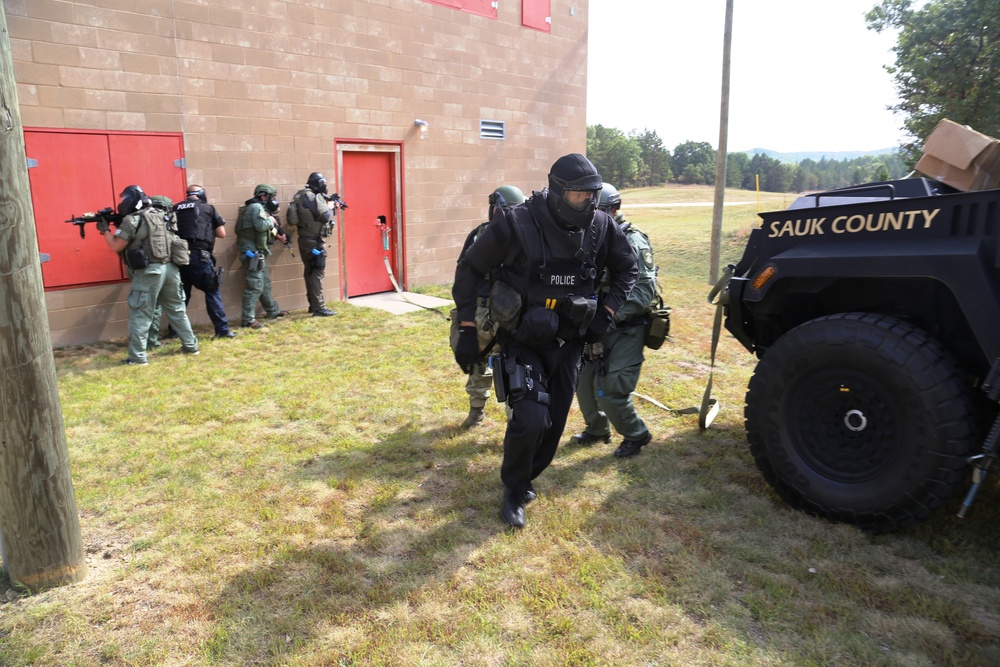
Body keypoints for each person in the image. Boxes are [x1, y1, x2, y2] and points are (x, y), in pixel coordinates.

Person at [452, 154, 638, 528]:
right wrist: (469, 328)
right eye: (578, 196)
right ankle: (514, 490)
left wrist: (606, 315)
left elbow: (627, 269)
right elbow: (470, 268)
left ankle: (528, 476)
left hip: (569, 342)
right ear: (557, 192)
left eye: (593, 195)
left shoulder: (602, 227)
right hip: (522, 338)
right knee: (530, 417)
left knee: (553, 425)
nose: (588, 202)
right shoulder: (516, 222)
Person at [571, 183, 657, 458]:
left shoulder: (632, 241)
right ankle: (597, 429)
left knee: (611, 390)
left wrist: (608, 313)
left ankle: (636, 434)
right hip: (594, 327)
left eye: (598, 211)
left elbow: (644, 291)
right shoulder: (587, 237)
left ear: (614, 209)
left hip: (625, 328)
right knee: (583, 383)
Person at [101, 185, 199, 365]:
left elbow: (116, 246)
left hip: (149, 272)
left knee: (141, 314)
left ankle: (138, 357)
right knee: (177, 310)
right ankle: (191, 346)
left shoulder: (132, 220)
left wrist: (105, 230)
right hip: (170, 269)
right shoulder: (164, 215)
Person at [457, 185, 526, 430]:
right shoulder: (522, 236)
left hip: (500, 314)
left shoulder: (481, 235)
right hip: (501, 313)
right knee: (492, 365)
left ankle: (502, 417)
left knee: (507, 367)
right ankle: (484, 413)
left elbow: (463, 274)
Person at [173, 184, 237, 338]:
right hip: (199, 256)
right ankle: (222, 330)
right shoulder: (207, 208)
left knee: (182, 295)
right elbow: (221, 233)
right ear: (201, 194)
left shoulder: (174, 209)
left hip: (178, 257)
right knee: (212, 290)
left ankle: (174, 331)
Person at [236, 184, 290, 328]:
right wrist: (271, 221)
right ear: (263, 196)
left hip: (258, 251)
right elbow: (261, 226)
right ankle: (247, 319)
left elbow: (260, 230)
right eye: (272, 197)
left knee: (264, 283)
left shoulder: (255, 208)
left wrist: (277, 235)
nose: (274, 200)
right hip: (252, 253)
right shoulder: (255, 208)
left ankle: (272, 310)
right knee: (255, 286)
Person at [287, 172, 336, 317]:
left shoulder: (301, 195)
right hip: (314, 241)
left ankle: (313, 304)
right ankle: (319, 308)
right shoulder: (314, 197)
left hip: (304, 239)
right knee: (317, 271)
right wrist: (330, 206)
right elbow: (325, 215)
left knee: (309, 271)